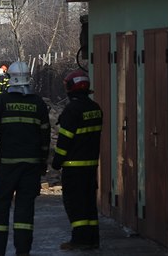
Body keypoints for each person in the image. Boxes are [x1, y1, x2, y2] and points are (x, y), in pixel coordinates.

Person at [0, 61, 51, 256]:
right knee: (25, 210)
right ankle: (23, 251)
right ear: (28, 77)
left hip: (7, 166)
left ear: (10, 78)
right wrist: (42, 163)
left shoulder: (1, 102)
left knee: (0, 208)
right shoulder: (38, 103)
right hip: (31, 167)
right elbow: (45, 137)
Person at [51, 69, 103, 250]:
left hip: (73, 167)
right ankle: (92, 239)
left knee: (75, 204)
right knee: (89, 203)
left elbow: (65, 140)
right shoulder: (95, 109)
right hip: (91, 166)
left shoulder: (72, 110)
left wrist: (57, 161)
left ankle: (80, 239)